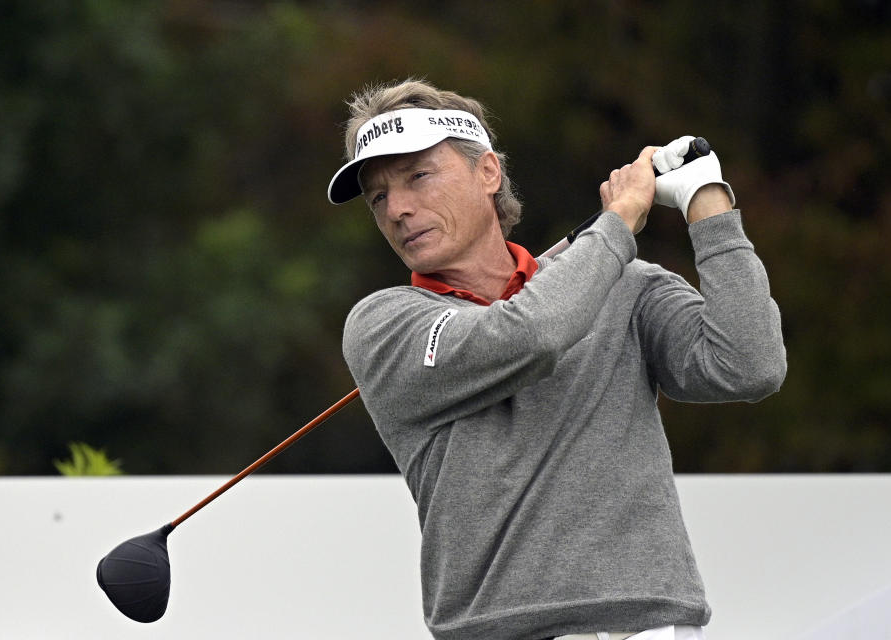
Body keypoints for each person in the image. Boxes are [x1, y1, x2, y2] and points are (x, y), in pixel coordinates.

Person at [328, 79, 786, 640]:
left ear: (487, 173)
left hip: (653, 627)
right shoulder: (384, 324)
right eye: (378, 196)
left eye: (418, 176)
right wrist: (619, 222)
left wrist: (706, 203)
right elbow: (533, 333)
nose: (397, 208)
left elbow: (749, 363)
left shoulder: (625, 286)